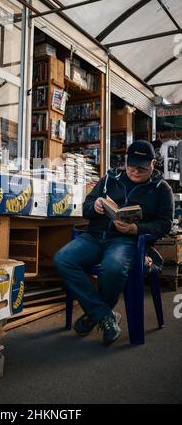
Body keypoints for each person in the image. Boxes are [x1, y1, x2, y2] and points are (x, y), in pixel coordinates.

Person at [54, 140, 174, 346]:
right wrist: (96, 205)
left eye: (141, 168)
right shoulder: (109, 178)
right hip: (94, 236)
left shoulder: (162, 189)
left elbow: (164, 224)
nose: (134, 171)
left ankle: (96, 314)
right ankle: (104, 315)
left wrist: (137, 229)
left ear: (153, 164)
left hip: (125, 241)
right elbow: (86, 207)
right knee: (62, 259)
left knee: (114, 267)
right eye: (131, 165)